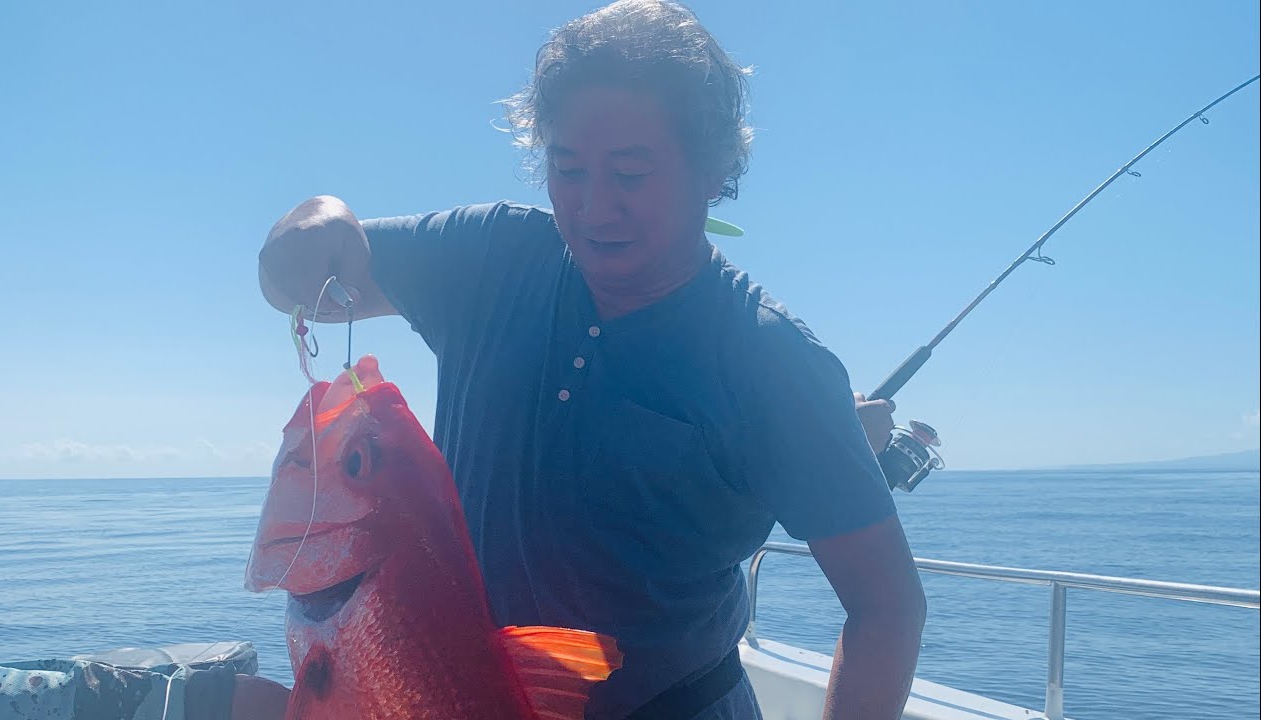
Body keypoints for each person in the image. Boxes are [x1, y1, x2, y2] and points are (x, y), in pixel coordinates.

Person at [255, 1, 926, 718]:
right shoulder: (487, 257)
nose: (594, 207)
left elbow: (887, 608)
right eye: (567, 168)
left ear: (712, 169)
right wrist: (307, 227)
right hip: (464, 693)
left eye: (631, 174)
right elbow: (302, 284)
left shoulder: (772, 361)